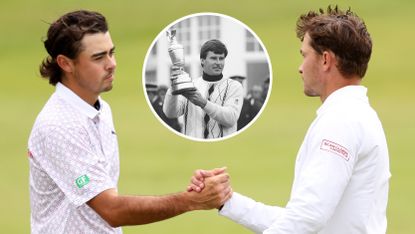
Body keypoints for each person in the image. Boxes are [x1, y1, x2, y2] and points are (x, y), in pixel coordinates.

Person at [189, 5, 390, 233]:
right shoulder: (355, 114)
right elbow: (302, 217)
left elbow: (307, 217)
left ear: (325, 60)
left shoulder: (341, 121)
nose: (300, 68)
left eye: (305, 56)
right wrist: (228, 201)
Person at [28, 10, 231, 233]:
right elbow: (112, 211)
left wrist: (191, 196)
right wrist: (191, 200)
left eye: (111, 53)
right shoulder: (59, 126)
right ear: (66, 63)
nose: (111, 64)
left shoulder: (101, 108)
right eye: (98, 57)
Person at [163, 39, 244, 139]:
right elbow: (170, 113)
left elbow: (231, 118)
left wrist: (203, 103)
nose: (218, 63)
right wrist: (174, 87)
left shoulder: (234, 86)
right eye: (214, 58)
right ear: (202, 60)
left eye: (221, 58)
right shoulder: (191, 84)